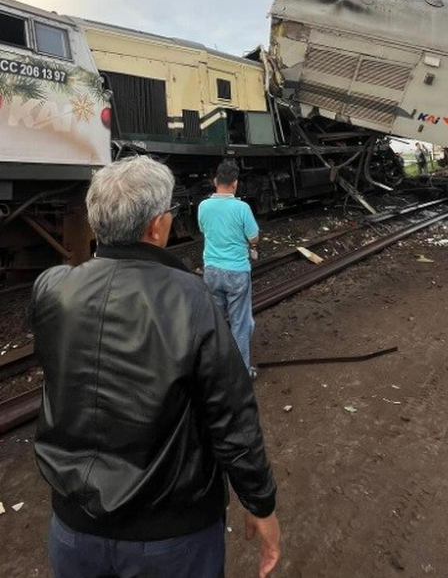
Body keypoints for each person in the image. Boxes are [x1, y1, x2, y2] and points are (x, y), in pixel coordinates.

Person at [30, 156, 280, 578]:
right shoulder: (190, 298)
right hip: (171, 534)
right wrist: (260, 503)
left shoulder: (51, 288)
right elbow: (232, 416)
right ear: (156, 226)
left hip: (72, 528)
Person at [198, 160, 259, 379]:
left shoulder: (203, 206)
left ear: (215, 181)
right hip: (237, 272)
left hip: (211, 271)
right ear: (235, 183)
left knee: (216, 322)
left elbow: (204, 230)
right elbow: (254, 237)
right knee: (241, 323)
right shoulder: (242, 208)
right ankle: (241, 373)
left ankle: (215, 369)